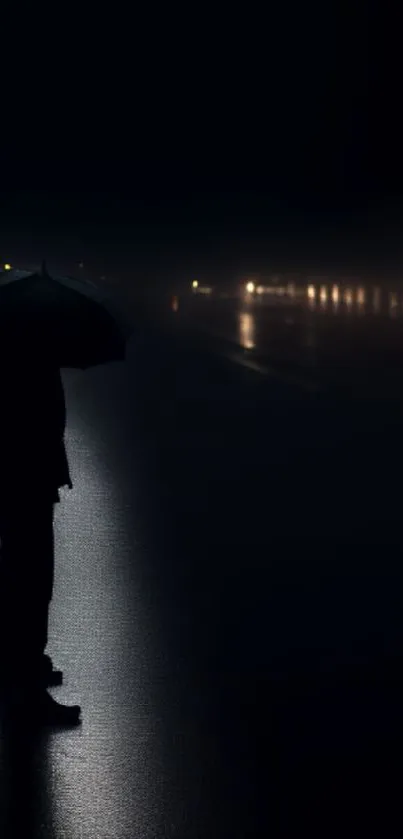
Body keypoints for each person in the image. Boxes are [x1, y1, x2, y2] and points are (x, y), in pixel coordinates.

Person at [0, 321, 81, 725]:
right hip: (27, 477)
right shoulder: (29, 360)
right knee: (31, 576)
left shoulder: (18, 354)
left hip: (22, 477)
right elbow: (41, 422)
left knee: (20, 573)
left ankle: (20, 668)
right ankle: (25, 685)